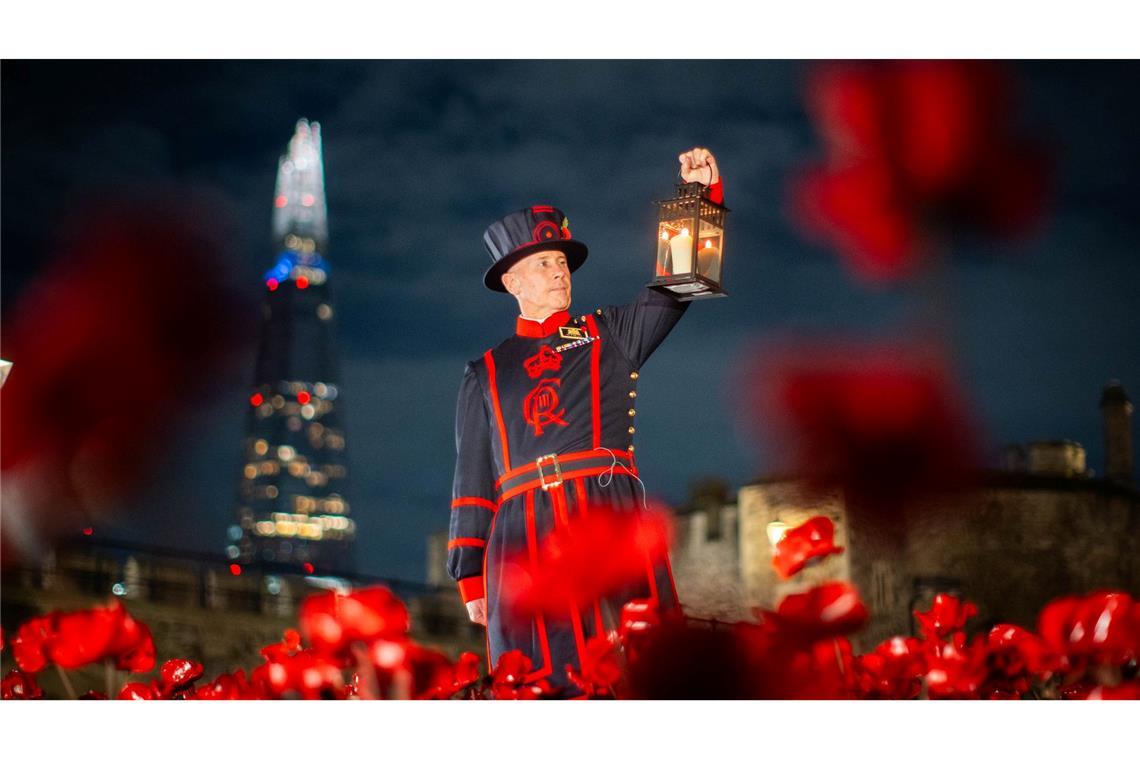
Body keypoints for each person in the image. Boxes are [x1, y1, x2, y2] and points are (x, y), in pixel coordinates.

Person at [447, 147, 724, 695]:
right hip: (522, 535)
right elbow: (473, 477)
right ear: (512, 282)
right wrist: (470, 573)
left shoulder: (610, 333)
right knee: (538, 683)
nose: (560, 273)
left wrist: (699, 201)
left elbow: (682, 283)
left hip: (607, 516)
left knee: (636, 671)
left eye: (563, 263)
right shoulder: (483, 371)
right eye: (544, 264)